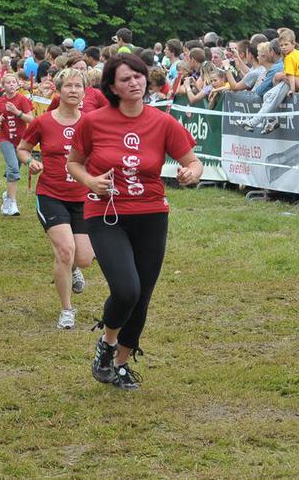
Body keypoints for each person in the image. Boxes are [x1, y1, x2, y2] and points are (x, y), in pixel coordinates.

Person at [66, 54, 202, 390]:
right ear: (112, 87)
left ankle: (121, 364)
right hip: (106, 213)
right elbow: (74, 164)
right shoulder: (93, 122)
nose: (135, 83)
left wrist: (190, 173)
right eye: (126, 79)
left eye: (139, 76)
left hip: (151, 214)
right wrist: (90, 181)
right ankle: (107, 344)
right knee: (126, 289)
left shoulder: (162, 122)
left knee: (142, 295)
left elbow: (193, 161)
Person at [16, 68, 96, 330]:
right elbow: (23, 148)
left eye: (78, 86)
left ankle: (73, 268)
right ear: (58, 91)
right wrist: (30, 162)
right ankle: (67, 309)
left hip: (84, 196)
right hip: (51, 194)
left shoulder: (92, 122)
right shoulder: (43, 122)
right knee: (65, 251)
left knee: (83, 258)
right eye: (68, 86)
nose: (73, 90)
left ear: (84, 92)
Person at [0, 72, 34, 216]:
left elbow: (32, 120)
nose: (11, 85)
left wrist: (17, 112)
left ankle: (7, 195)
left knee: (13, 170)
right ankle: (11, 203)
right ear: (3, 86)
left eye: (13, 82)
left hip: (21, 141)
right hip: (5, 139)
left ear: (17, 84)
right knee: (14, 168)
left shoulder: (22, 100)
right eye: (8, 82)